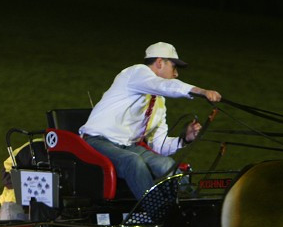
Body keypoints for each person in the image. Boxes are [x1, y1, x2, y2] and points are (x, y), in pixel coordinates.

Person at [79, 42, 222, 200]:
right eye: (174, 67)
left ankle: (194, 206)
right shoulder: (136, 72)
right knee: (133, 161)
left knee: (167, 165)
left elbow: (159, 145)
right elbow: (164, 85)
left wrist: (185, 139)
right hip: (97, 142)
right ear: (160, 62)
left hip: (128, 147)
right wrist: (200, 91)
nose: (176, 74)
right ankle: (156, 212)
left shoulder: (158, 102)